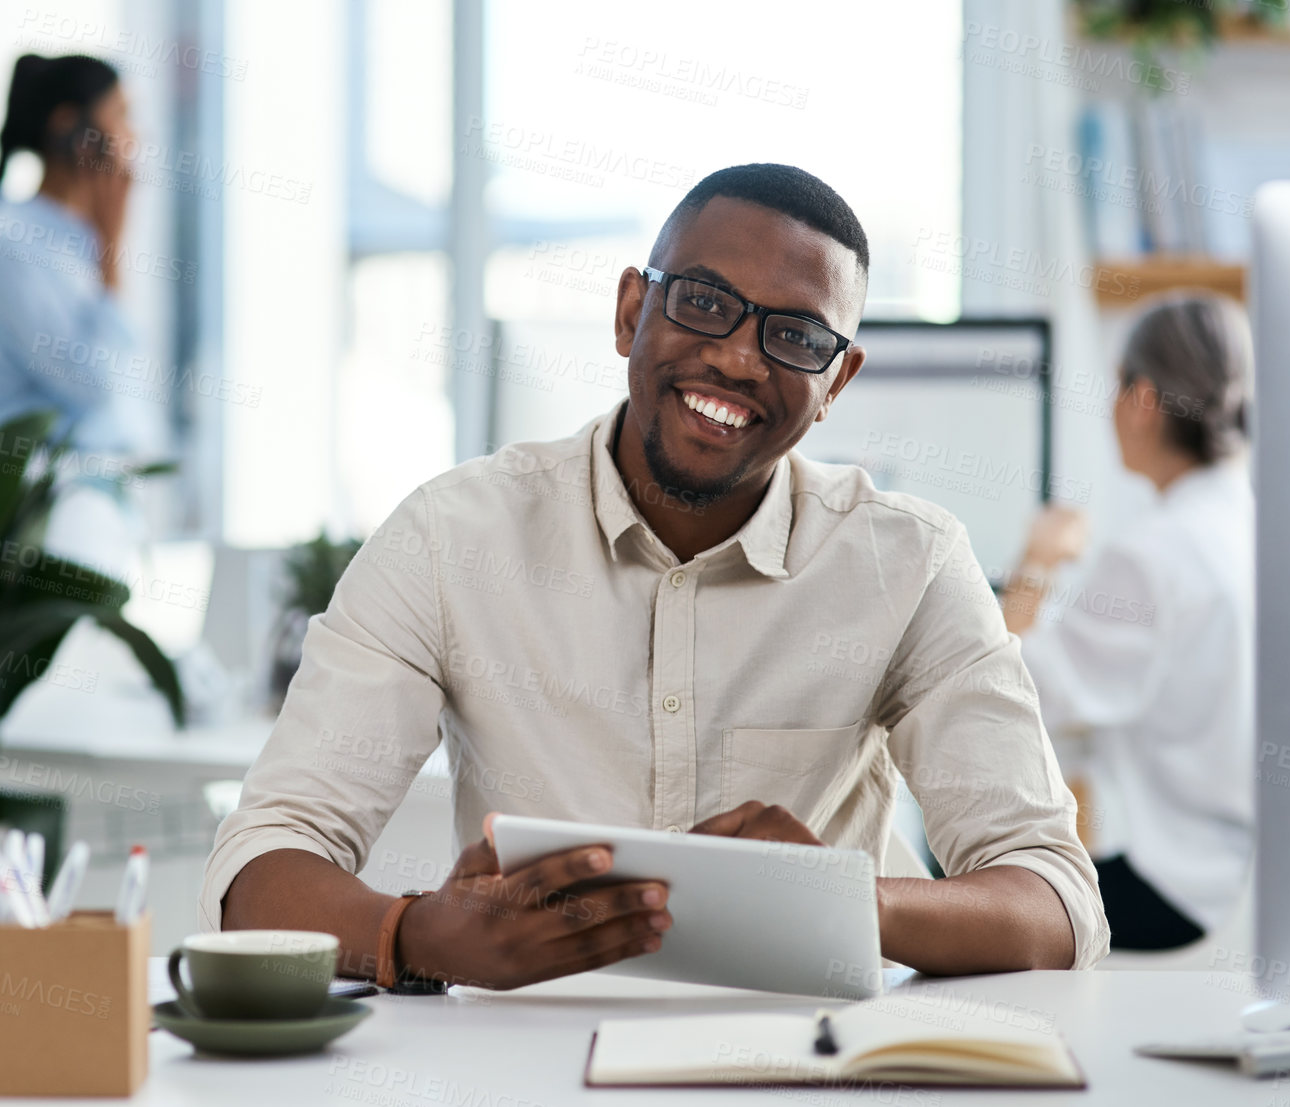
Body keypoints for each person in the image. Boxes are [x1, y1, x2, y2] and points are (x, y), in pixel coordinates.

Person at [203, 164, 1108, 990]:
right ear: (630, 310)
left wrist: (846, 902)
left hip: (805, 1068)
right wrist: (416, 935)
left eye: (794, 336)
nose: (739, 358)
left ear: (837, 382)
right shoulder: (449, 536)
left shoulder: (907, 562)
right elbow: (260, 865)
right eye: (706, 303)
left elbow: (1059, 901)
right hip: (520, 1071)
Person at [1003, 292, 1254, 951]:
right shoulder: (1253, 526)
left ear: (1142, 400)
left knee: (967, 878)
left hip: (1178, 889)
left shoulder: (1153, 554)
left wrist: (1037, 558)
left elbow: (1010, 688)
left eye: (1115, 388)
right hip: (1245, 876)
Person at [0, 54, 147, 456]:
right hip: (46, 497)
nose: (134, 138)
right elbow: (97, 386)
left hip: (94, 490)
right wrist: (111, 250)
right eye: (121, 116)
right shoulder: (15, 246)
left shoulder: (79, 239)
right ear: (69, 127)